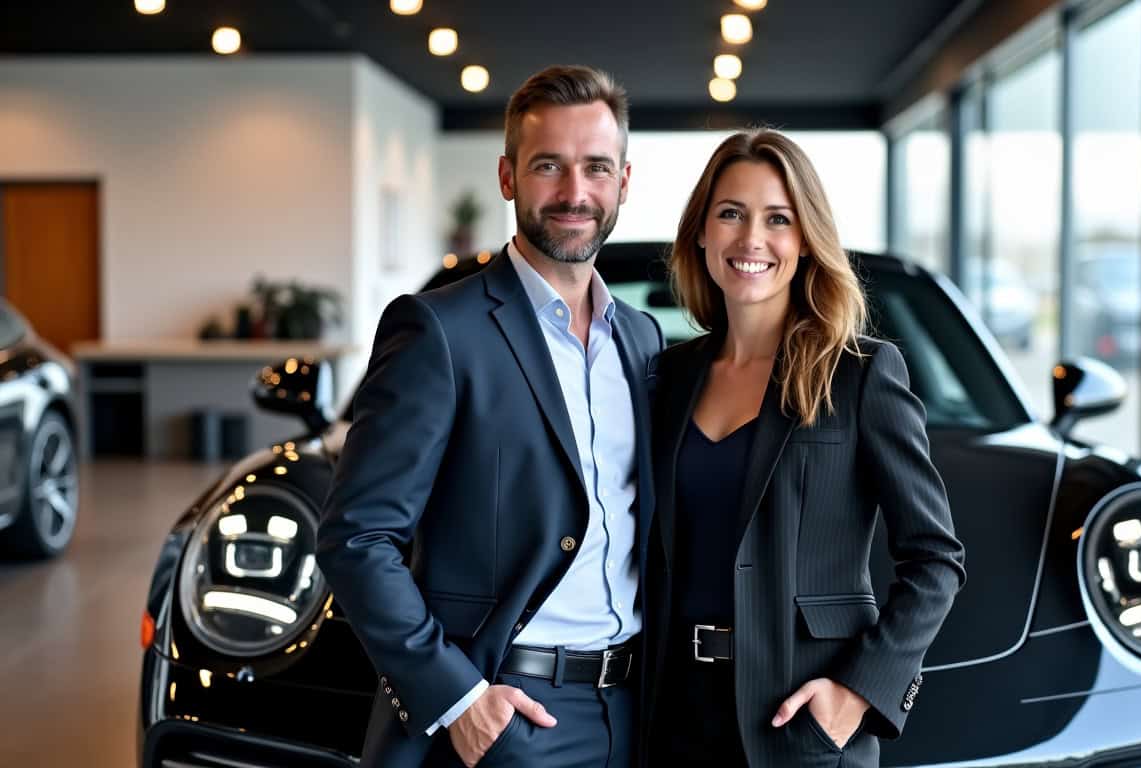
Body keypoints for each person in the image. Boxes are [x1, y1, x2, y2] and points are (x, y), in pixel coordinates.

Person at [317, 65, 662, 768]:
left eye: (596, 168)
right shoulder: (439, 331)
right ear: (507, 177)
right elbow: (357, 538)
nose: (574, 193)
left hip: (635, 712)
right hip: (506, 717)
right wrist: (459, 699)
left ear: (624, 182)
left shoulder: (644, 341)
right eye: (548, 166)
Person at [643, 129, 966, 767]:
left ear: (805, 239)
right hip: (674, 716)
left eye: (778, 219)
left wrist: (856, 693)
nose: (751, 239)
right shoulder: (666, 378)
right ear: (702, 232)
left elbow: (936, 561)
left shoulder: (862, 373)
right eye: (730, 213)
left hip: (799, 724)